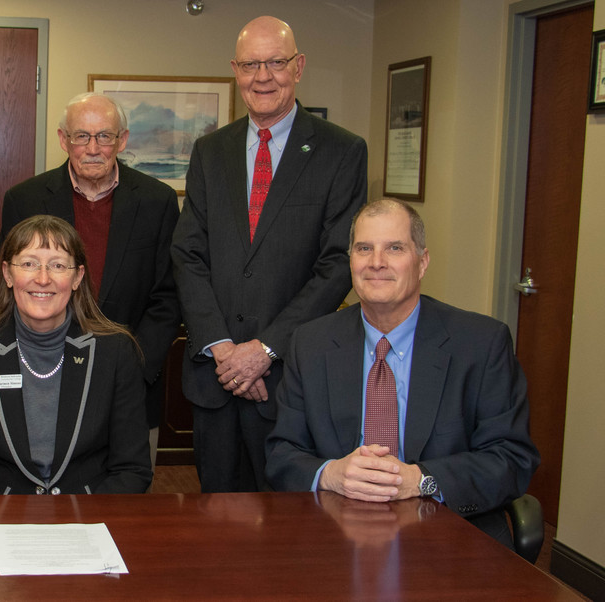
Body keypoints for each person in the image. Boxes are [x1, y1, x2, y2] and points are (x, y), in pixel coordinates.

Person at [266, 199, 539, 547]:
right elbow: (281, 452)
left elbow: (512, 458)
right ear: (350, 260)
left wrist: (421, 480)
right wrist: (331, 474)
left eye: (395, 248)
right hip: (334, 538)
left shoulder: (481, 344)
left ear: (422, 262)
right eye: (364, 248)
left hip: (450, 541)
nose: (376, 263)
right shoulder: (311, 343)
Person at [171, 16, 367, 492]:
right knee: (216, 524)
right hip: (215, 379)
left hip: (290, 379)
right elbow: (188, 253)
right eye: (251, 64)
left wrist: (264, 349)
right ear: (236, 71)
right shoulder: (209, 151)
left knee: (290, 533)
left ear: (298, 67)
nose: (263, 76)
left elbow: (338, 262)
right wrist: (223, 350)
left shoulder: (341, 151)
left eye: (276, 62)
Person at [0, 92, 181, 466]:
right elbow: (13, 288)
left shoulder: (157, 200)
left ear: (123, 140)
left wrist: (134, 366)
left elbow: (168, 295)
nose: (93, 148)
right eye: (81, 136)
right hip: (44, 377)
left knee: (126, 499)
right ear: (64, 139)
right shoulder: (25, 198)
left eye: (104, 137)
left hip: (132, 381)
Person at [0, 215, 152, 495]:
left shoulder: (116, 353)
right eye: (29, 264)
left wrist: (83, 526)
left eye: (58, 265)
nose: (42, 278)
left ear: (77, 278)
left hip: (89, 518)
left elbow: (132, 470)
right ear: (7, 274)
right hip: (1, 520)